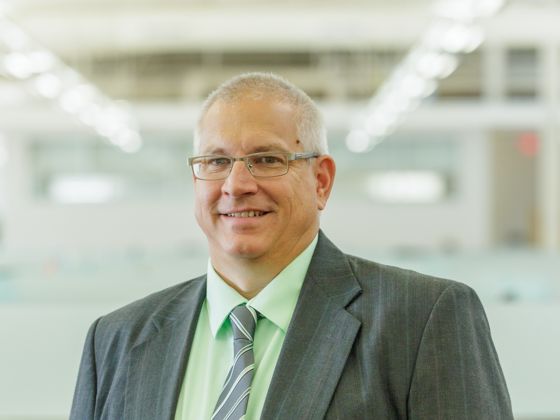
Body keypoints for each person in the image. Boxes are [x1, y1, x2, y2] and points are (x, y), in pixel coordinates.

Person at [70, 72, 513, 420]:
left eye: (266, 159)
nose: (236, 184)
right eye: (216, 161)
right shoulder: (118, 339)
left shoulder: (422, 320)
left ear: (321, 181)